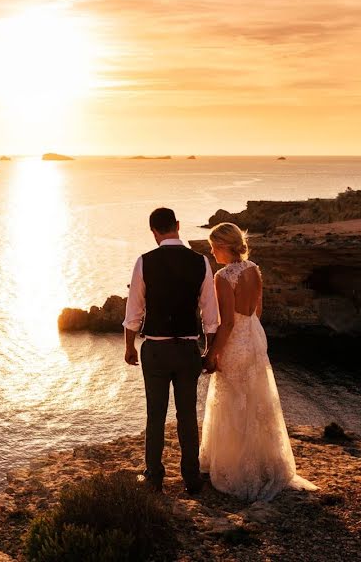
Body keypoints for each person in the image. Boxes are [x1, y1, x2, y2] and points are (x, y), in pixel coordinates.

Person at [200, 222, 317, 501]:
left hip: (235, 343)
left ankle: (236, 467)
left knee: (232, 402)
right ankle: (265, 463)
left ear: (224, 246)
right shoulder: (254, 269)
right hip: (254, 337)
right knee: (256, 401)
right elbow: (258, 310)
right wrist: (248, 333)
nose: (212, 252)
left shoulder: (223, 276)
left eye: (214, 247)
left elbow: (226, 323)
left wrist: (212, 353)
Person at [123, 207, 220, 494]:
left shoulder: (144, 262)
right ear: (178, 225)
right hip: (188, 349)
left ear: (153, 231)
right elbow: (211, 316)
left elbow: (134, 312)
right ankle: (191, 478)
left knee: (155, 415)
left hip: (155, 349)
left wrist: (129, 346)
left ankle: (154, 477)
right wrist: (209, 352)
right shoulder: (201, 262)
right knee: (187, 415)